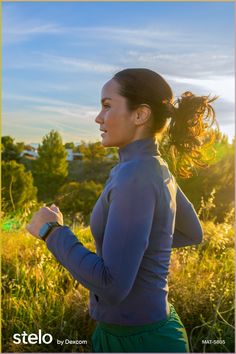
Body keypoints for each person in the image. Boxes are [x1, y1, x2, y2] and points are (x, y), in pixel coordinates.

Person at [26, 68, 217, 353]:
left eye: (107, 106)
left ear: (140, 115)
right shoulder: (154, 167)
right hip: (148, 331)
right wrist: (138, 250)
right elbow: (193, 232)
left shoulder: (135, 175)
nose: (98, 117)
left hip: (140, 342)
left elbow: (111, 286)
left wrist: (52, 232)